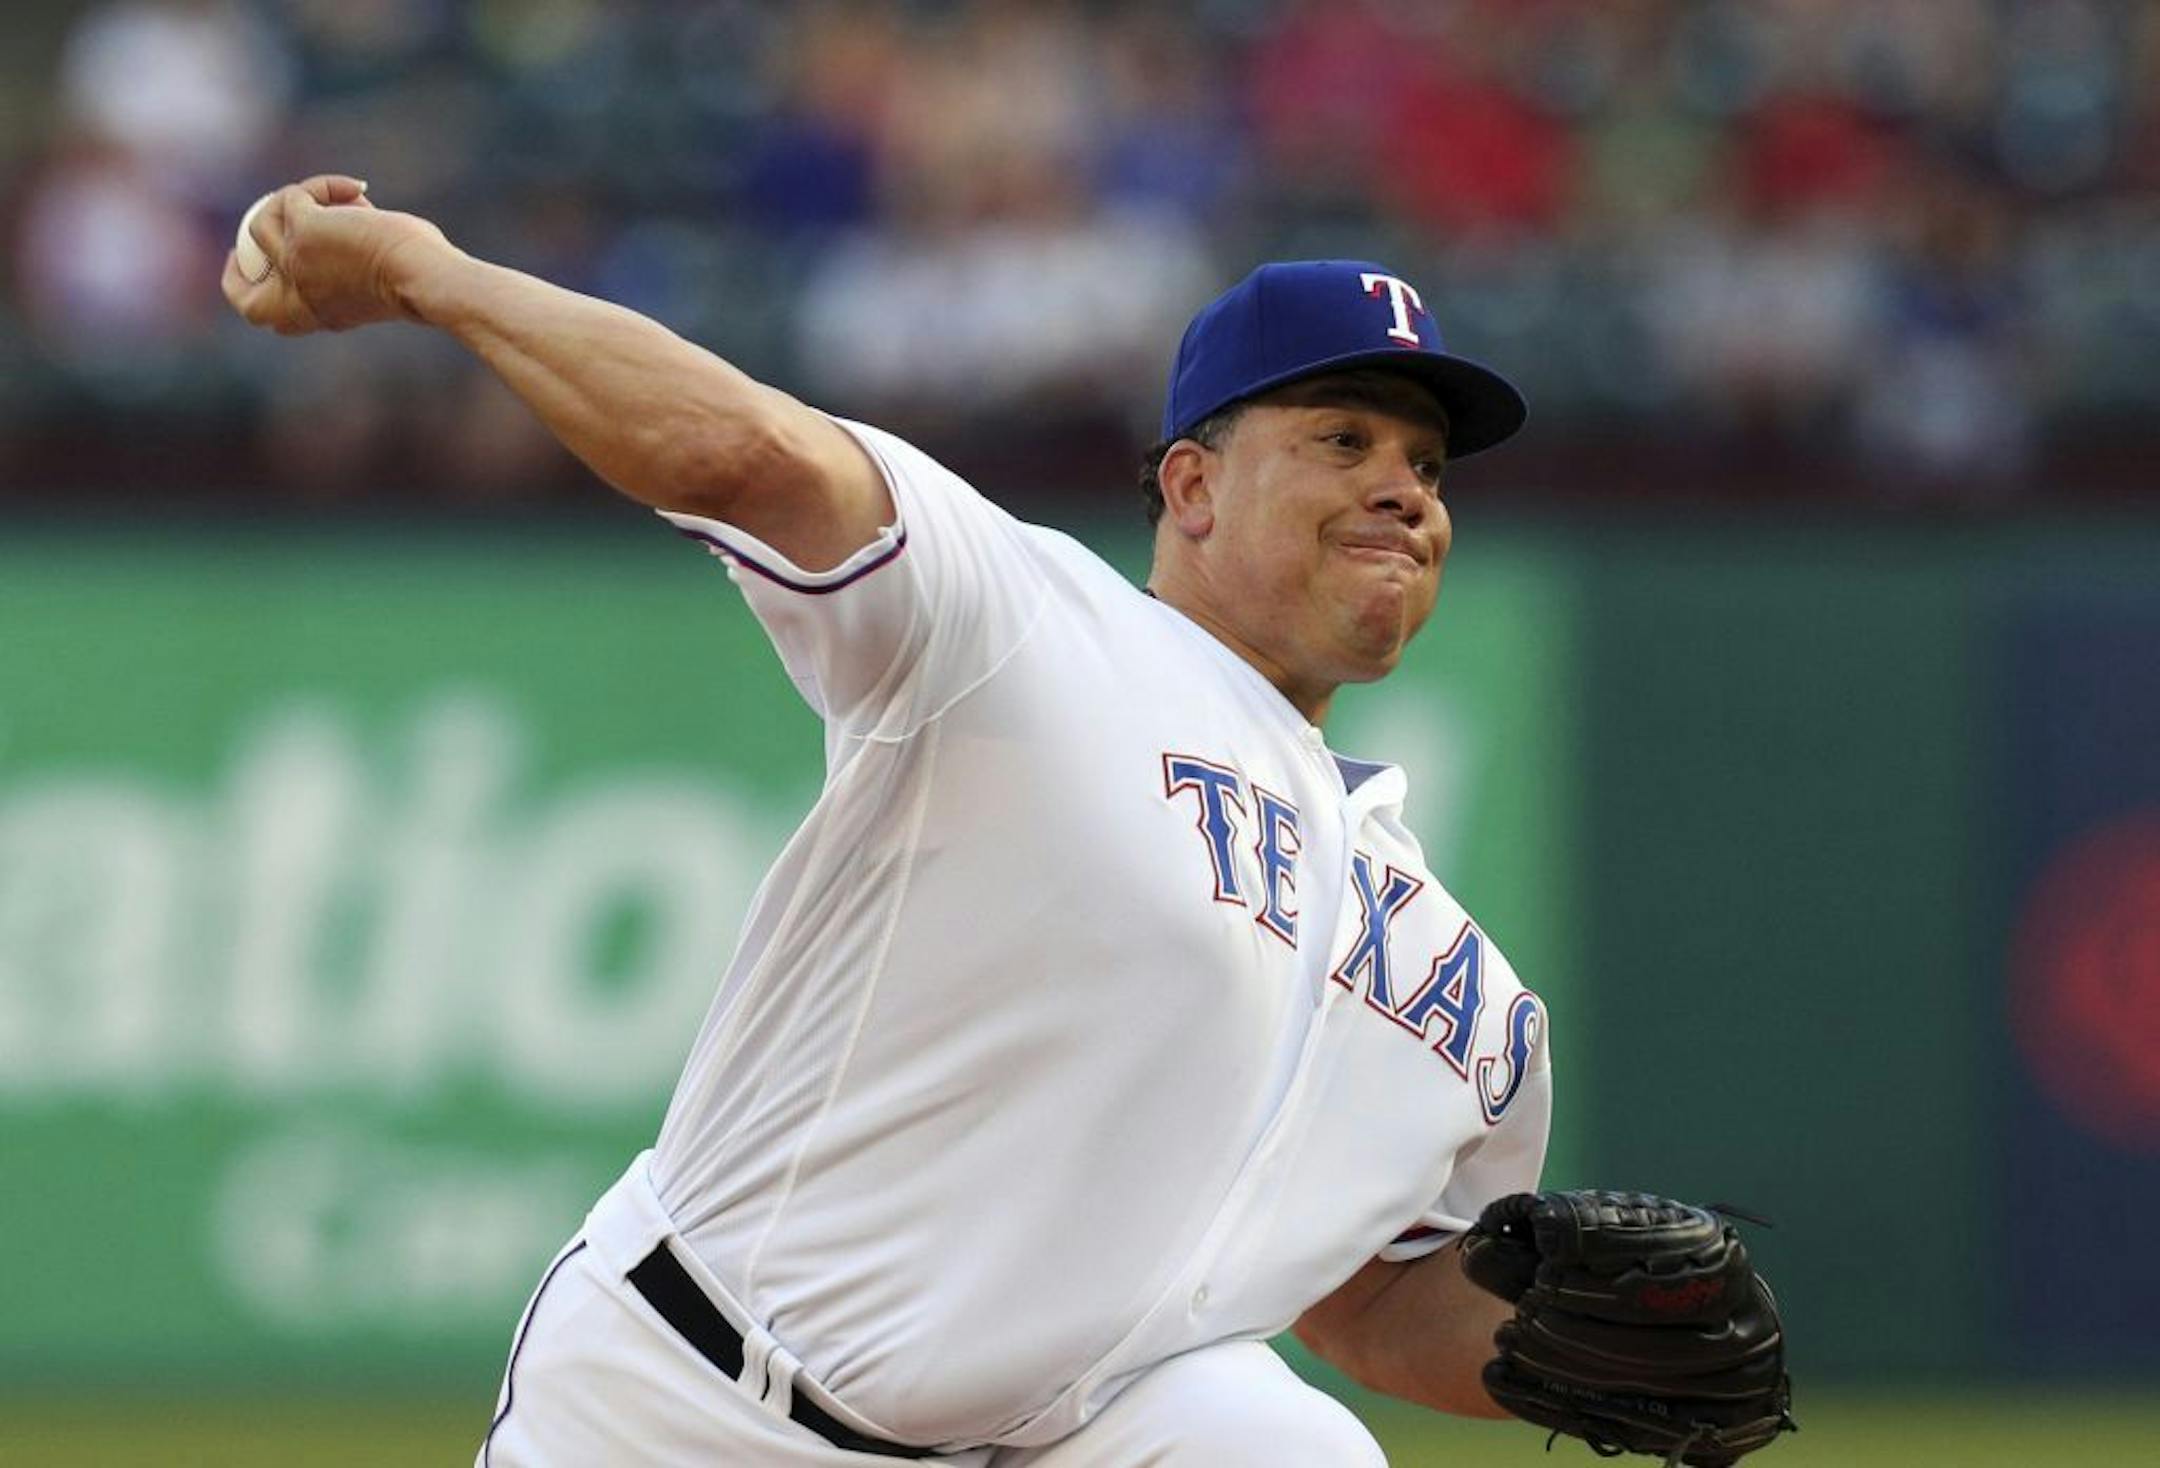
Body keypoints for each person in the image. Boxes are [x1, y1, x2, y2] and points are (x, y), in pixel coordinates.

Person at [224, 175, 1550, 1467]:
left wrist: (1580, 1344)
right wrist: (428, 275)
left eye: (1427, 465)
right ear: (1194, 489)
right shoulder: (1030, 624)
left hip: (1033, 1437)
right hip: (690, 1405)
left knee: (1274, 1440)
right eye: (1343, 441)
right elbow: (744, 454)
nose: (1405, 489)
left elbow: (1372, 1301)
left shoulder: (1455, 978)